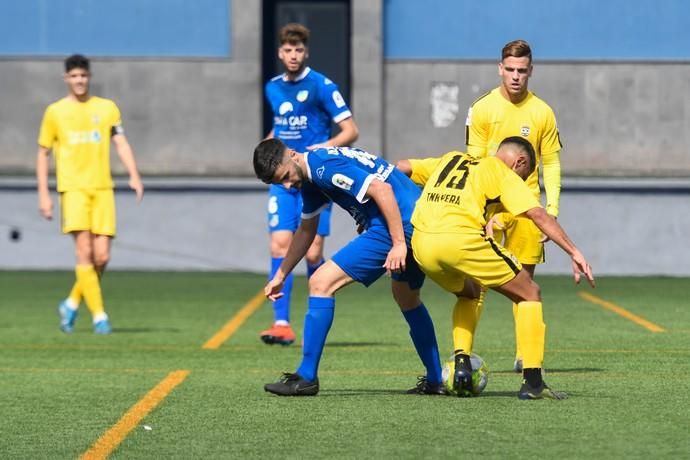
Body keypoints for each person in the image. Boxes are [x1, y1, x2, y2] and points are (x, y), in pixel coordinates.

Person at [397, 136, 594, 399]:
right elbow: (538, 214)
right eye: (524, 176)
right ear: (519, 162)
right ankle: (533, 383)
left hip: (421, 244)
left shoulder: (452, 158)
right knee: (530, 293)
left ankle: (462, 367)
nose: (521, 181)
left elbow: (400, 167)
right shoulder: (502, 172)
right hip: (459, 240)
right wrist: (574, 251)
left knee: (470, 292)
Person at [253, 138, 444, 396]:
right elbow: (306, 230)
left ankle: (306, 377)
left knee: (320, 283)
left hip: (397, 227)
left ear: (293, 154)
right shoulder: (310, 175)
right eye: (280, 183)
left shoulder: (322, 167)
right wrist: (281, 275)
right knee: (407, 298)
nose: (288, 184)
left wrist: (398, 243)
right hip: (417, 219)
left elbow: (382, 189)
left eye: (286, 176)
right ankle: (435, 380)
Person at [464, 39, 562, 372]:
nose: (516, 76)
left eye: (522, 71)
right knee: (474, 284)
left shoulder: (542, 112)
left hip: (526, 209)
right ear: (500, 68)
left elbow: (552, 163)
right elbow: (474, 160)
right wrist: (476, 209)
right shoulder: (482, 108)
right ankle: (463, 355)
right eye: (510, 70)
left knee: (523, 283)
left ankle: (526, 357)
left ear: (531, 71)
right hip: (489, 208)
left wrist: (553, 209)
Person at [261, 23, 359, 346]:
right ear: (279, 52)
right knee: (279, 244)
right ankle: (281, 323)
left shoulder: (321, 85)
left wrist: (322, 149)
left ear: (307, 51)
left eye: (299, 49)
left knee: (313, 250)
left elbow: (350, 131)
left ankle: (318, 298)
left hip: (312, 178)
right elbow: (279, 126)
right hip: (282, 177)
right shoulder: (272, 88)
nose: (293, 55)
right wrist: (268, 151)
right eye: (287, 50)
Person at [36, 54, 144, 335]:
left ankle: (71, 303)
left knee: (102, 257)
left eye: (83, 75)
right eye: (73, 76)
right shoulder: (55, 112)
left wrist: (133, 174)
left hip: (102, 189)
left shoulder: (106, 108)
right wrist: (44, 195)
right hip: (72, 189)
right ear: (66, 79)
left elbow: (120, 141)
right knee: (84, 252)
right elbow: (43, 153)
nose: (79, 80)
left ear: (89, 77)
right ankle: (99, 317)